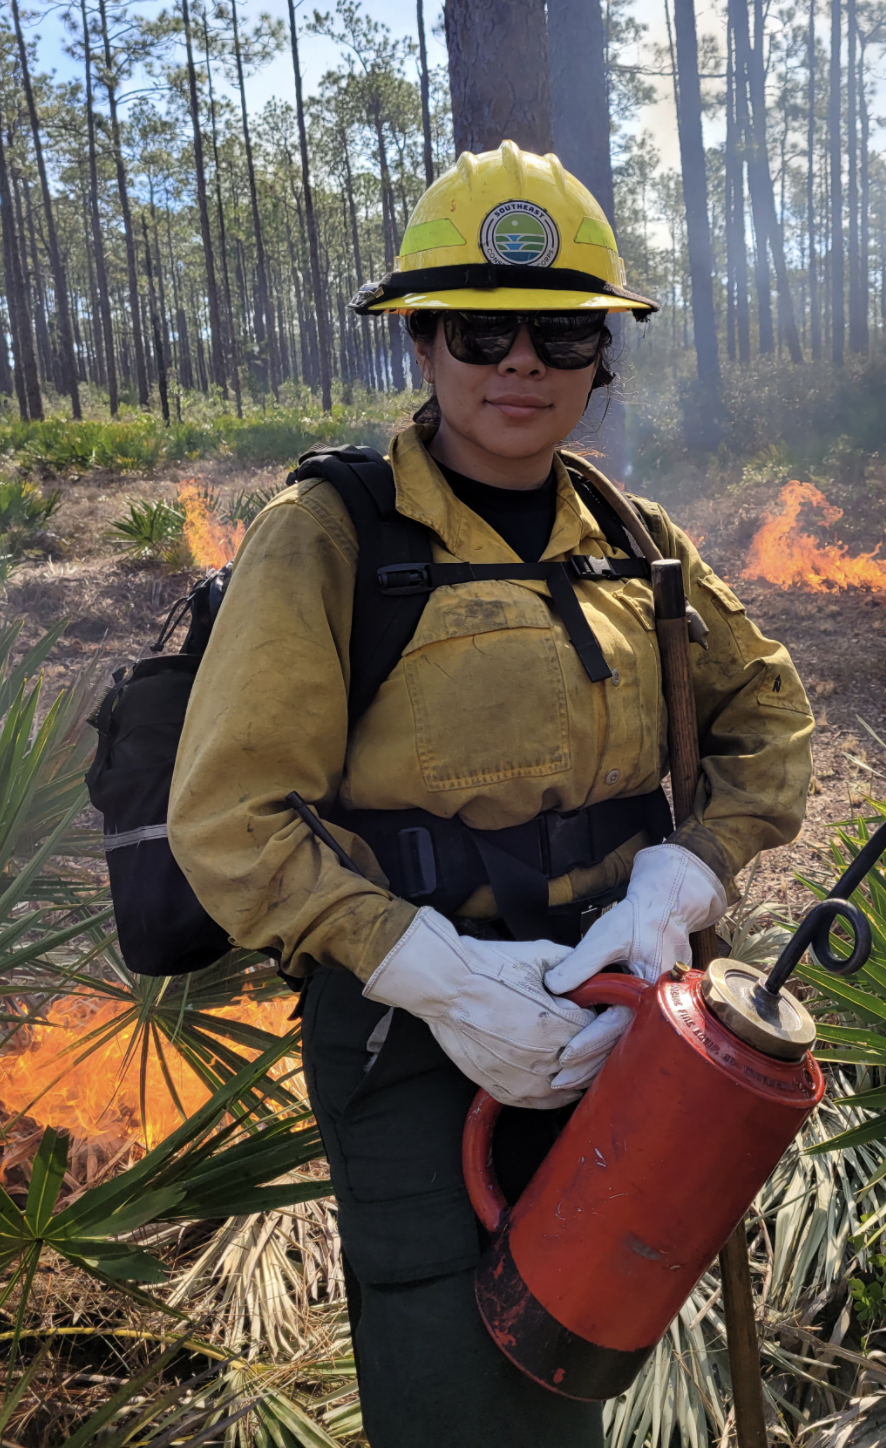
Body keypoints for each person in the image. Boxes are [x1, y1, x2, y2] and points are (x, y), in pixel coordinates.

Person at [169, 140, 813, 1447]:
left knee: (593, 1337)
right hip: (412, 1040)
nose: (520, 363)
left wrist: (676, 879)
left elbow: (769, 719)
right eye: (479, 330)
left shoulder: (633, 541)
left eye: (560, 335)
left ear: (599, 358)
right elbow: (230, 817)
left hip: (623, 1024)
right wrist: (435, 972)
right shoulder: (334, 533)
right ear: (421, 345)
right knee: (457, 1383)